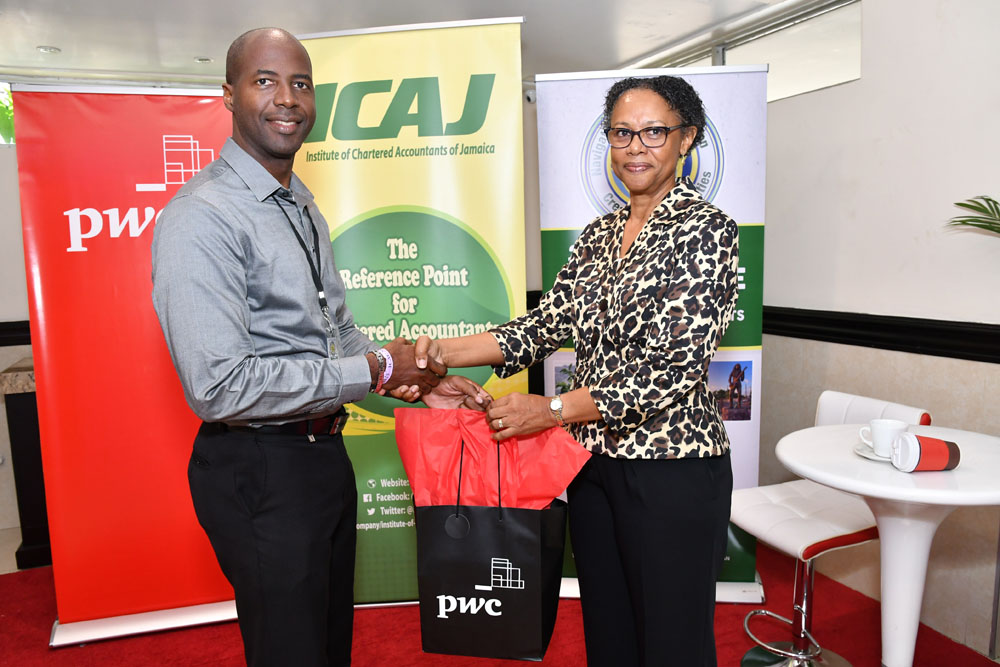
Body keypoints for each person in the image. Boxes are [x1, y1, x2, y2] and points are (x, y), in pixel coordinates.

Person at [151, 27, 486, 667]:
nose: (287, 98)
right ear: (229, 94)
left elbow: (334, 333)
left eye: (300, 83)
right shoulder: (202, 216)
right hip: (259, 468)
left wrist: (417, 380)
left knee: (328, 646)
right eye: (265, 81)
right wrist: (378, 366)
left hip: (322, 458)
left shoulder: (300, 205)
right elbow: (219, 386)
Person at [415, 75, 740, 666]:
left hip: (673, 470)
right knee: (609, 635)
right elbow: (540, 328)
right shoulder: (597, 236)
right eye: (621, 132)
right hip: (591, 466)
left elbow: (671, 369)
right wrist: (438, 353)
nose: (635, 147)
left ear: (686, 138)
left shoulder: (708, 231)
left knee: (673, 642)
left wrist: (552, 410)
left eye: (653, 132)